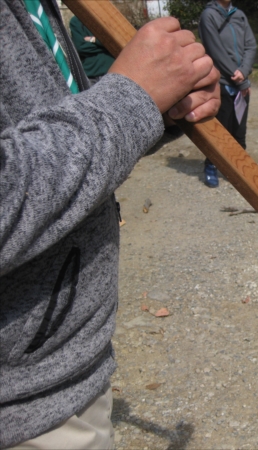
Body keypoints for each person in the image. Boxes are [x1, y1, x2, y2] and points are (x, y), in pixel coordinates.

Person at [0, 0, 220, 447]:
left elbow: (47, 121)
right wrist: (130, 98)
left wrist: (160, 107)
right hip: (22, 409)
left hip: (68, 367)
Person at [199, 0, 256, 188]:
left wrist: (244, 72)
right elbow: (215, 51)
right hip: (221, 83)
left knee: (239, 131)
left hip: (241, 83)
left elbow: (251, 45)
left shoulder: (239, 15)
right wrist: (239, 77)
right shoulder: (209, 15)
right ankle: (211, 165)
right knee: (220, 130)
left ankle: (240, 169)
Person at [69, 15, 115, 85]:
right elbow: (80, 47)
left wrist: (94, 40)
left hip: (111, 71)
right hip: (90, 74)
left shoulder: (108, 17)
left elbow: (113, 42)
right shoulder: (76, 21)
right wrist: (105, 46)